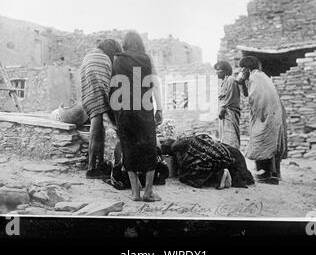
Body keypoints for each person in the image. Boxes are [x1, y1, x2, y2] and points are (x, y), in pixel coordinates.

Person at [109, 31, 163, 201]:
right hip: (144, 109)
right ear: (140, 43)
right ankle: (148, 192)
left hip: (124, 111)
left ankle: (134, 193)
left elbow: (113, 88)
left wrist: (115, 115)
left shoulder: (118, 60)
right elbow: (154, 84)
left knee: (129, 149)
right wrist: (159, 109)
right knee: (149, 150)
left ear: (125, 44)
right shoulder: (146, 59)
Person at [238, 56, 288, 185]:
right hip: (274, 114)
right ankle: (275, 174)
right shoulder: (262, 76)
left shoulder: (255, 78)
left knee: (261, 140)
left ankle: (267, 176)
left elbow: (253, 98)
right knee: (271, 143)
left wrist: (258, 116)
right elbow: (249, 93)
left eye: (243, 68)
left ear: (247, 69)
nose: (242, 71)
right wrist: (243, 81)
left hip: (266, 115)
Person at [80, 39, 123, 179]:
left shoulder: (90, 55)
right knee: (97, 132)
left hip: (88, 95)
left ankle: (98, 166)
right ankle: (91, 169)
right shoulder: (104, 58)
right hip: (99, 94)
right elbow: (109, 81)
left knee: (99, 131)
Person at [160, 134, 254, 189]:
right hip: (223, 152)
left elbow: (183, 163)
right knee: (211, 161)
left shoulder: (174, 147)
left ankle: (220, 175)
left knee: (187, 177)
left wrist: (180, 173)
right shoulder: (188, 138)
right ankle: (226, 173)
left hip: (212, 157)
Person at [214, 61, 248, 149]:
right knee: (225, 137)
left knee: (230, 136)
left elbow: (229, 96)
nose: (216, 72)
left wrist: (222, 109)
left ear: (224, 71)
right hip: (226, 114)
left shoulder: (230, 80)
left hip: (229, 113)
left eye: (218, 70)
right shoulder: (224, 82)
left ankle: (232, 154)